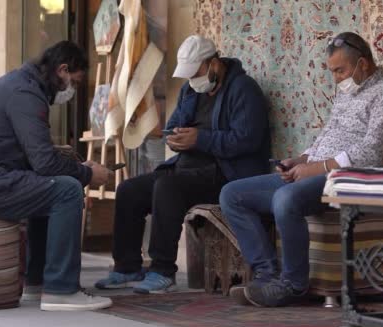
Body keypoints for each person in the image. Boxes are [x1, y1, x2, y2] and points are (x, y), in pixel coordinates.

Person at [219, 32, 383, 307]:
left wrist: (317, 168)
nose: (336, 78)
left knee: (286, 199)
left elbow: (375, 152)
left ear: (364, 64)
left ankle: (293, 285)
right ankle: (266, 276)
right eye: (333, 71)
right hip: (318, 171)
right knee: (232, 195)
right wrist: (301, 160)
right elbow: (328, 134)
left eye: (340, 70)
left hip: (353, 177)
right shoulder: (348, 91)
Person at [0, 41, 113, 311]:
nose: (72, 91)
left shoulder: (22, 84)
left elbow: (34, 157)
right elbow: (44, 164)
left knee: (47, 189)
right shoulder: (26, 94)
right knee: (67, 189)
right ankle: (61, 289)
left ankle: (37, 283)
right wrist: (87, 173)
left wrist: (70, 162)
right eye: (74, 82)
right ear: (62, 70)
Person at [94, 35, 271, 294]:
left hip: (225, 173)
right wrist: (174, 139)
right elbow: (172, 125)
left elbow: (247, 140)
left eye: (196, 71)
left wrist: (201, 139)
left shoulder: (243, 89)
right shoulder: (192, 90)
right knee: (129, 190)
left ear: (214, 63)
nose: (192, 79)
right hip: (187, 168)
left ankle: (162, 270)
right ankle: (127, 266)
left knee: (168, 186)